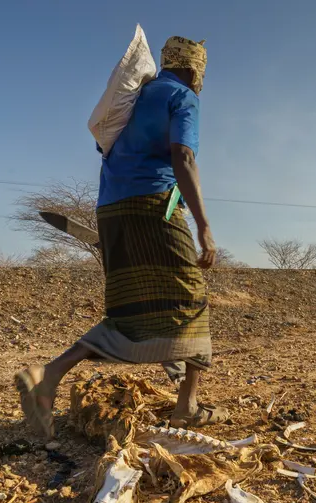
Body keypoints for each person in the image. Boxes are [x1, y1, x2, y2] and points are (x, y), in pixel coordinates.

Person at [15, 35, 228, 439]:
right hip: (154, 206)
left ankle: (49, 376)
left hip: (111, 210)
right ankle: (187, 406)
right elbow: (183, 156)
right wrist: (203, 225)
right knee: (191, 299)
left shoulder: (133, 98)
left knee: (129, 308)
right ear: (194, 68)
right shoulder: (181, 96)